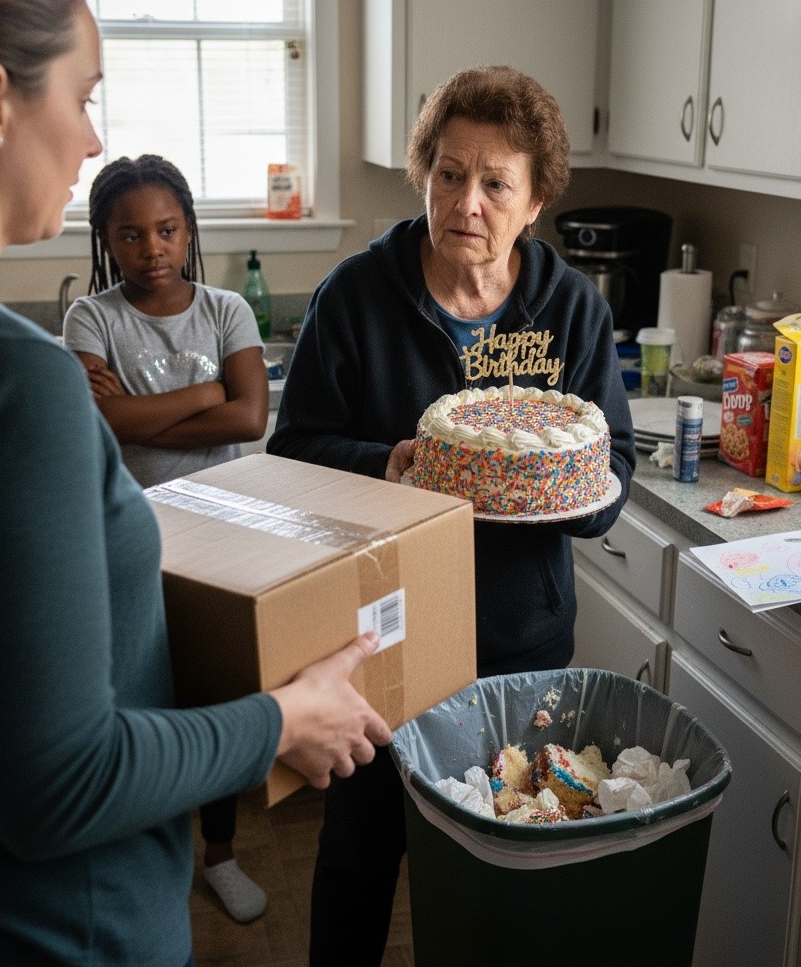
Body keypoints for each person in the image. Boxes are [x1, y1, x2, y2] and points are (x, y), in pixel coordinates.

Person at [0, 0, 391, 966]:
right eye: (81, 93)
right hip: (50, 932)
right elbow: (54, 783)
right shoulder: (6, 382)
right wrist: (283, 717)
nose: (90, 137)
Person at [267, 65, 636, 966]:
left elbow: (612, 466)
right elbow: (293, 454)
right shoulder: (356, 298)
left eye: (495, 182)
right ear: (424, 174)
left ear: (536, 199)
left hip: (522, 641)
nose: (467, 202)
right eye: (448, 173)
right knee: (360, 855)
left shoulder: (574, 312)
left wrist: (553, 493)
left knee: (498, 856)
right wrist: (387, 465)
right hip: (381, 639)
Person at [63, 153, 270, 923]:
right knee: (145, 699)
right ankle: (144, 854)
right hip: (130, 538)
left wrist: (153, 411)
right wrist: (207, 391)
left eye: (167, 229)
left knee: (215, 693)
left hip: (225, 533)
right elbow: (101, 425)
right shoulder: (91, 318)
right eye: (130, 234)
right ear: (106, 241)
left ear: (188, 230)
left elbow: (249, 419)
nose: (151, 248)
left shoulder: (226, 311)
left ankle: (219, 853)